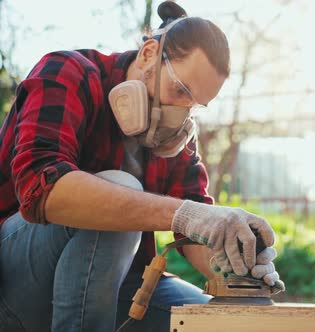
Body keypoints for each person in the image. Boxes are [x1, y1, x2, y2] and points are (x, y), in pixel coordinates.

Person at [0, 1, 283, 331]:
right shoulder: (66, 72)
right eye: (179, 90)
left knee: (219, 323)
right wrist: (187, 214)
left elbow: (193, 232)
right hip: (14, 283)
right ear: (149, 54)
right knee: (121, 188)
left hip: (120, 285)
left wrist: (236, 261)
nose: (181, 112)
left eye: (193, 105)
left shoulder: (176, 137)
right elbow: (43, 188)